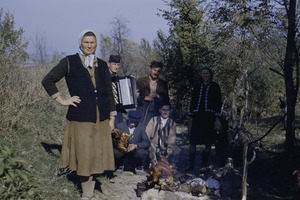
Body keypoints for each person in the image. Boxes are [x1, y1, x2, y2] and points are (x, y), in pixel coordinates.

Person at [42, 29, 116, 200]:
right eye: (86, 42)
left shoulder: (103, 64)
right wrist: (62, 100)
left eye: (92, 42)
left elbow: (109, 93)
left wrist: (112, 118)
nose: (89, 45)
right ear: (80, 43)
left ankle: (90, 190)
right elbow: (48, 80)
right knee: (85, 154)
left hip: (101, 117)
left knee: (96, 153)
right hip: (81, 116)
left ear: (96, 44)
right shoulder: (69, 62)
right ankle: (87, 193)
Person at [186, 66, 222, 171]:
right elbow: (192, 102)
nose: (205, 75)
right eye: (203, 73)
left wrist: (217, 117)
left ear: (210, 74)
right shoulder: (197, 86)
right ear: (201, 75)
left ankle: (203, 165)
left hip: (210, 118)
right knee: (193, 141)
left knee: (208, 142)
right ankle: (191, 165)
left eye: (207, 73)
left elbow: (218, 102)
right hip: (197, 117)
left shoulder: (215, 86)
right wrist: (190, 116)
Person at [114, 110, 150, 174]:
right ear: (128, 118)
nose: (133, 124)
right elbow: (114, 140)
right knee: (115, 152)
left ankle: (139, 165)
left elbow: (147, 142)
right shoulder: (119, 126)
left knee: (142, 152)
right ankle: (119, 164)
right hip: (122, 150)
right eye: (131, 121)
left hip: (135, 150)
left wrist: (136, 145)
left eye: (135, 122)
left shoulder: (141, 127)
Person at [136, 61, 169, 125]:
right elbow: (135, 98)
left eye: (158, 71)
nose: (156, 73)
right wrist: (145, 98)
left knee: (154, 133)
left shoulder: (163, 84)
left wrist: (158, 96)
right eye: (154, 70)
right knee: (141, 131)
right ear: (150, 69)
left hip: (157, 112)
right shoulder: (141, 81)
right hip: (142, 111)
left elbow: (166, 100)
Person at [107, 54, 127, 125]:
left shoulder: (119, 79)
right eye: (114, 64)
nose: (116, 67)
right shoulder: (103, 77)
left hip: (118, 111)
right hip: (107, 110)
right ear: (109, 64)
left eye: (118, 65)